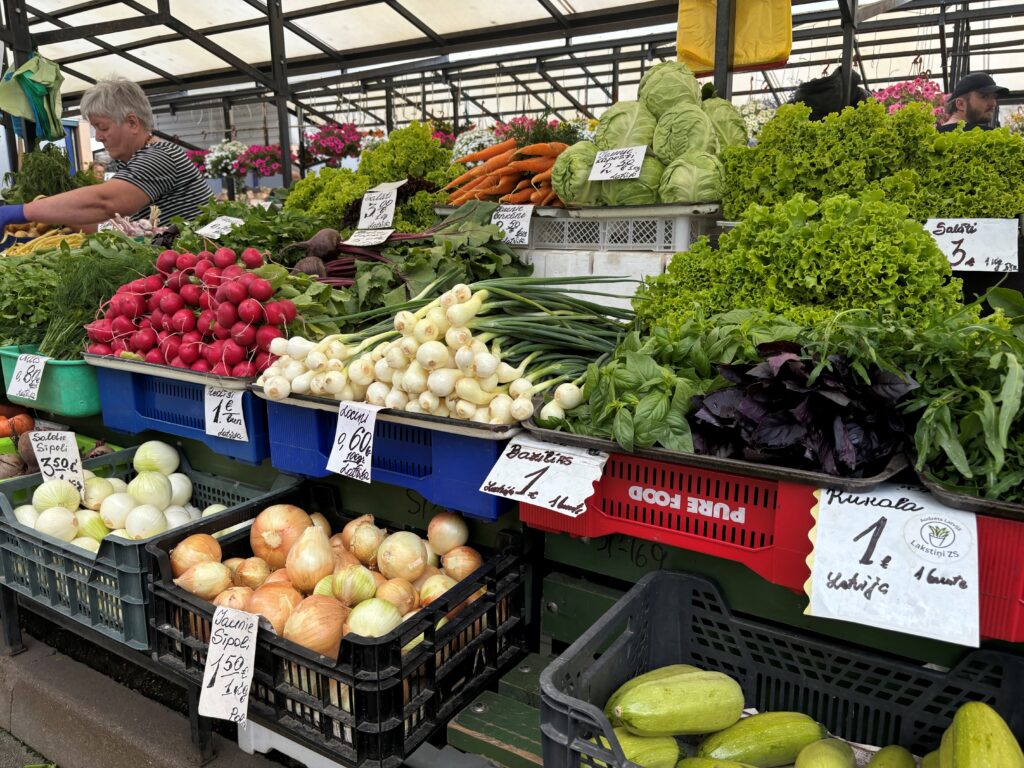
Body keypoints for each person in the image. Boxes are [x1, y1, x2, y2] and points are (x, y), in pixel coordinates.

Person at [0, 78, 210, 231]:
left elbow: (105, 202)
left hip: (196, 268)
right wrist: (59, 218)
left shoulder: (159, 157)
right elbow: (112, 225)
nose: (98, 138)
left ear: (132, 123)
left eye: (102, 128)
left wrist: (21, 212)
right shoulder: (129, 161)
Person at [938, 72, 1009, 132]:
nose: (994, 103)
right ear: (960, 104)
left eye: (994, 97)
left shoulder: (932, 138)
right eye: (984, 96)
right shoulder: (988, 137)